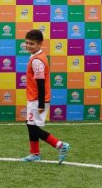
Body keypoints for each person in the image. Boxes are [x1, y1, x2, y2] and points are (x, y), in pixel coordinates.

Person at [21, 29, 71, 163]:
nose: (28, 46)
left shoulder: (37, 61)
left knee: (33, 127)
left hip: (37, 99)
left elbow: (41, 84)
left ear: (40, 44)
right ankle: (35, 154)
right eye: (26, 43)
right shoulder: (37, 56)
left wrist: (41, 104)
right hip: (35, 98)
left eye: (31, 44)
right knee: (30, 125)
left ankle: (60, 145)